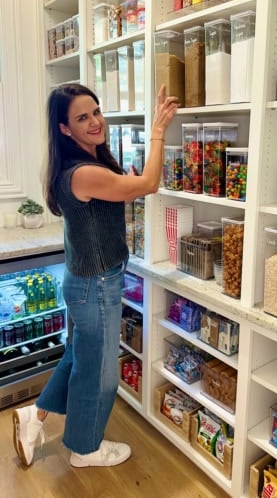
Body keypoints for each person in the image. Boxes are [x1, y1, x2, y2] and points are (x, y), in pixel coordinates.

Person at [12, 82, 178, 468]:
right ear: (64, 129)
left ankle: (33, 416)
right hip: (95, 286)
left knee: (79, 357)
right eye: (82, 117)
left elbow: (117, 196)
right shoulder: (82, 172)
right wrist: (157, 132)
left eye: (96, 112)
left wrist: (125, 185)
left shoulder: (83, 165)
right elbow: (150, 184)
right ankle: (85, 450)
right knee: (100, 376)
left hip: (87, 283)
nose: (95, 122)